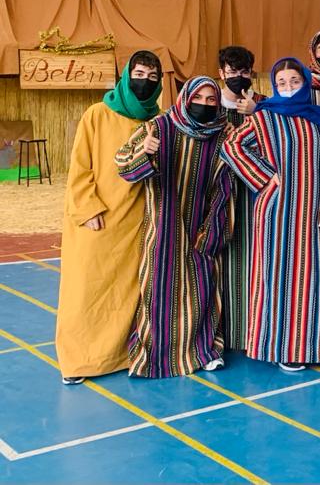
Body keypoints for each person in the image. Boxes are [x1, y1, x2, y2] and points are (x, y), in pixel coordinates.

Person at [220, 57, 320, 372]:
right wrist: (264, 177)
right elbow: (232, 147)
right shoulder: (264, 117)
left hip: (315, 213)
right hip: (276, 213)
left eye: (294, 81)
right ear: (274, 85)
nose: (288, 87)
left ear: (305, 83)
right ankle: (285, 347)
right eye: (281, 82)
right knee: (280, 279)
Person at [55, 50, 163, 385]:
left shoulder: (157, 121)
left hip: (137, 222)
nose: (144, 82)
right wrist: (88, 209)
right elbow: (80, 167)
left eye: (152, 77)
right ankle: (80, 361)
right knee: (87, 290)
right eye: (139, 75)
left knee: (129, 293)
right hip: (99, 220)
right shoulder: (97, 114)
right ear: (126, 76)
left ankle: (122, 355)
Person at [114, 76, 233, 378]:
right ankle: (153, 356)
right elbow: (123, 164)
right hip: (163, 224)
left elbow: (225, 187)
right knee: (158, 289)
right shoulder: (159, 127)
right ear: (185, 99)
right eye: (198, 99)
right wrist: (144, 151)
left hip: (201, 225)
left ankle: (204, 350)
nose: (204, 104)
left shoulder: (222, 135)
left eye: (211, 100)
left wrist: (212, 231)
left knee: (202, 287)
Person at [216, 45, 266, 350]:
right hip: (219, 197)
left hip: (256, 198)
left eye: (244, 71)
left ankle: (254, 332)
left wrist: (256, 114)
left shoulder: (264, 105)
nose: (238, 76)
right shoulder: (208, 103)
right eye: (232, 71)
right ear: (221, 73)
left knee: (256, 265)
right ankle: (224, 335)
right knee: (223, 267)